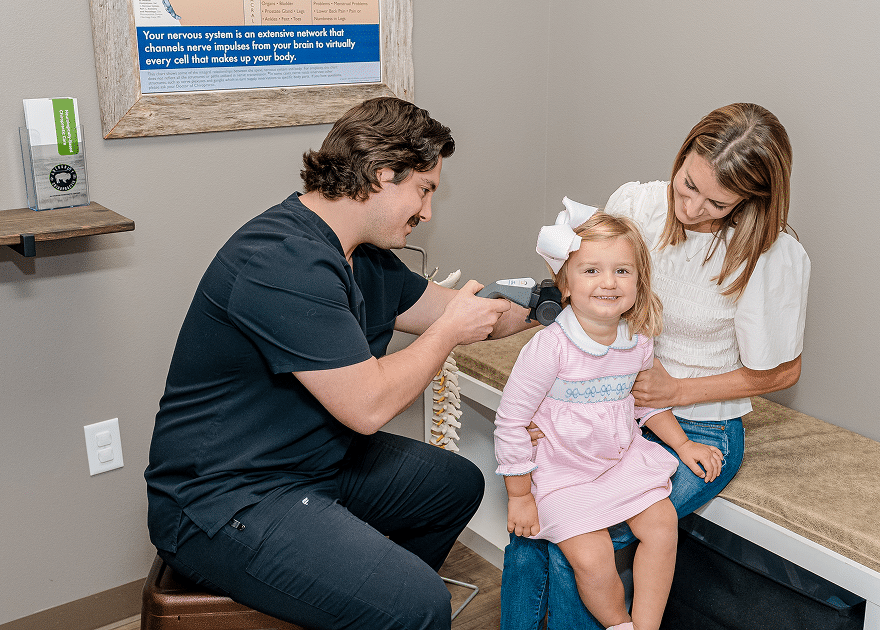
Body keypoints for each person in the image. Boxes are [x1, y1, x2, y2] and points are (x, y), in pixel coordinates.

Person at [145, 97, 532, 630]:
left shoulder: (367, 259)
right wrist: (447, 332)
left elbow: (471, 314)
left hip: (312, 464)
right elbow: (369, 406)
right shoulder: (281, 259)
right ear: (381, 175)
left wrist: (560, 299)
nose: (427, 211)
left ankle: (362, 611)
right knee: (420, 604)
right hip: (225, 497)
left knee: (455, 486)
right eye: (424, 189)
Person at [500, 102, 811, 630]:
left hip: (695, 420)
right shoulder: (636, 204)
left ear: (752, 199)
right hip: (608, 407)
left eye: (717, 202)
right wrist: (557, 403)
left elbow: (783, 373)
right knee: (533, 535)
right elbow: (584, 278)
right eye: (687, 184)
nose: (691, 208)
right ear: (683, 153)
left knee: (576, 547)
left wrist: (677, 391)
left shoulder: (771, 254)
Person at [496, 200, 691, 630]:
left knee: (662, 526)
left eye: (622, 271)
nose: (608, 282)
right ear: (564, 283)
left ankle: (647, 624)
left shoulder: (636, 340)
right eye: (591, 270)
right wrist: (520, 496)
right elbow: (510, 422)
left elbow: (646, 400)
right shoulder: (551, 347)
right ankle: (620, 624)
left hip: (618, 460)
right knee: (593, 559)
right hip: (563, 473)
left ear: (640, 281)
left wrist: (682, 442)